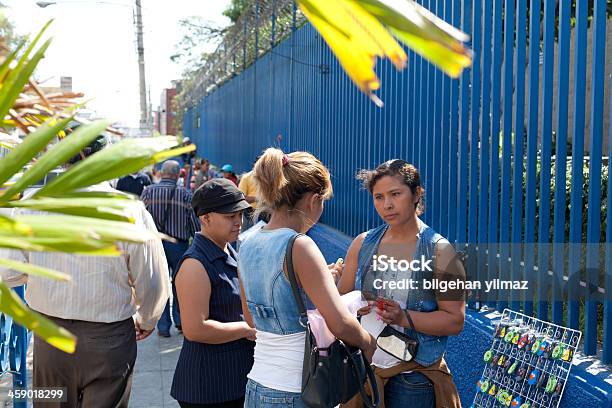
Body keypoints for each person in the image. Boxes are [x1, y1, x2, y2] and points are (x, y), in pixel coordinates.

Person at [0, 135, 169, 408]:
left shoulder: (34, 205)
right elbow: (151, 279)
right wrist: (148, 319)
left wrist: (41, 270)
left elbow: (7, 271)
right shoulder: (129, 209)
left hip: (50, 338)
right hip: (109, 341)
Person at [238, 148, 376, 407]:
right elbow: (341, 325)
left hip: (257, 386)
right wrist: (369, 343)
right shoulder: (300, 245)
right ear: (313, 200)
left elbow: (252, 318)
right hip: (297, 390)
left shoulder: (247, 242)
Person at [338, 159, 465, 408]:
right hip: (364, 371)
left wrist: (402, 317)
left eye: (395, 194)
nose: (387, 204)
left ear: (416, 194)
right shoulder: (362, 243)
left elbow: (455, 320)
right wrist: (355, 306)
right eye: (378, 197)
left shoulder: (441, 252)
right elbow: (340, 302)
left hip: (412, 378)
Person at [171, 178, 255, 408]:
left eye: (240, 214)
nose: (238, 221)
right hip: (208, 387)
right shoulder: (195, 264)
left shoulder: (228, 250)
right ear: (205, 219)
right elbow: (195, 329)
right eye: (230, 216)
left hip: (231, 379)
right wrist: (247, 329)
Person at [141, 160, 200, 337]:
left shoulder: (148, 192)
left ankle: (163, 327)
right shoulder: (185, 194)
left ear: (161, 173)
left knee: (160, 285)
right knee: (180, 284)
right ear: (177, 175)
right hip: (179, 245)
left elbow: (141, 220)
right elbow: (194, 224)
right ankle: (181, 321)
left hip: (154, 244)